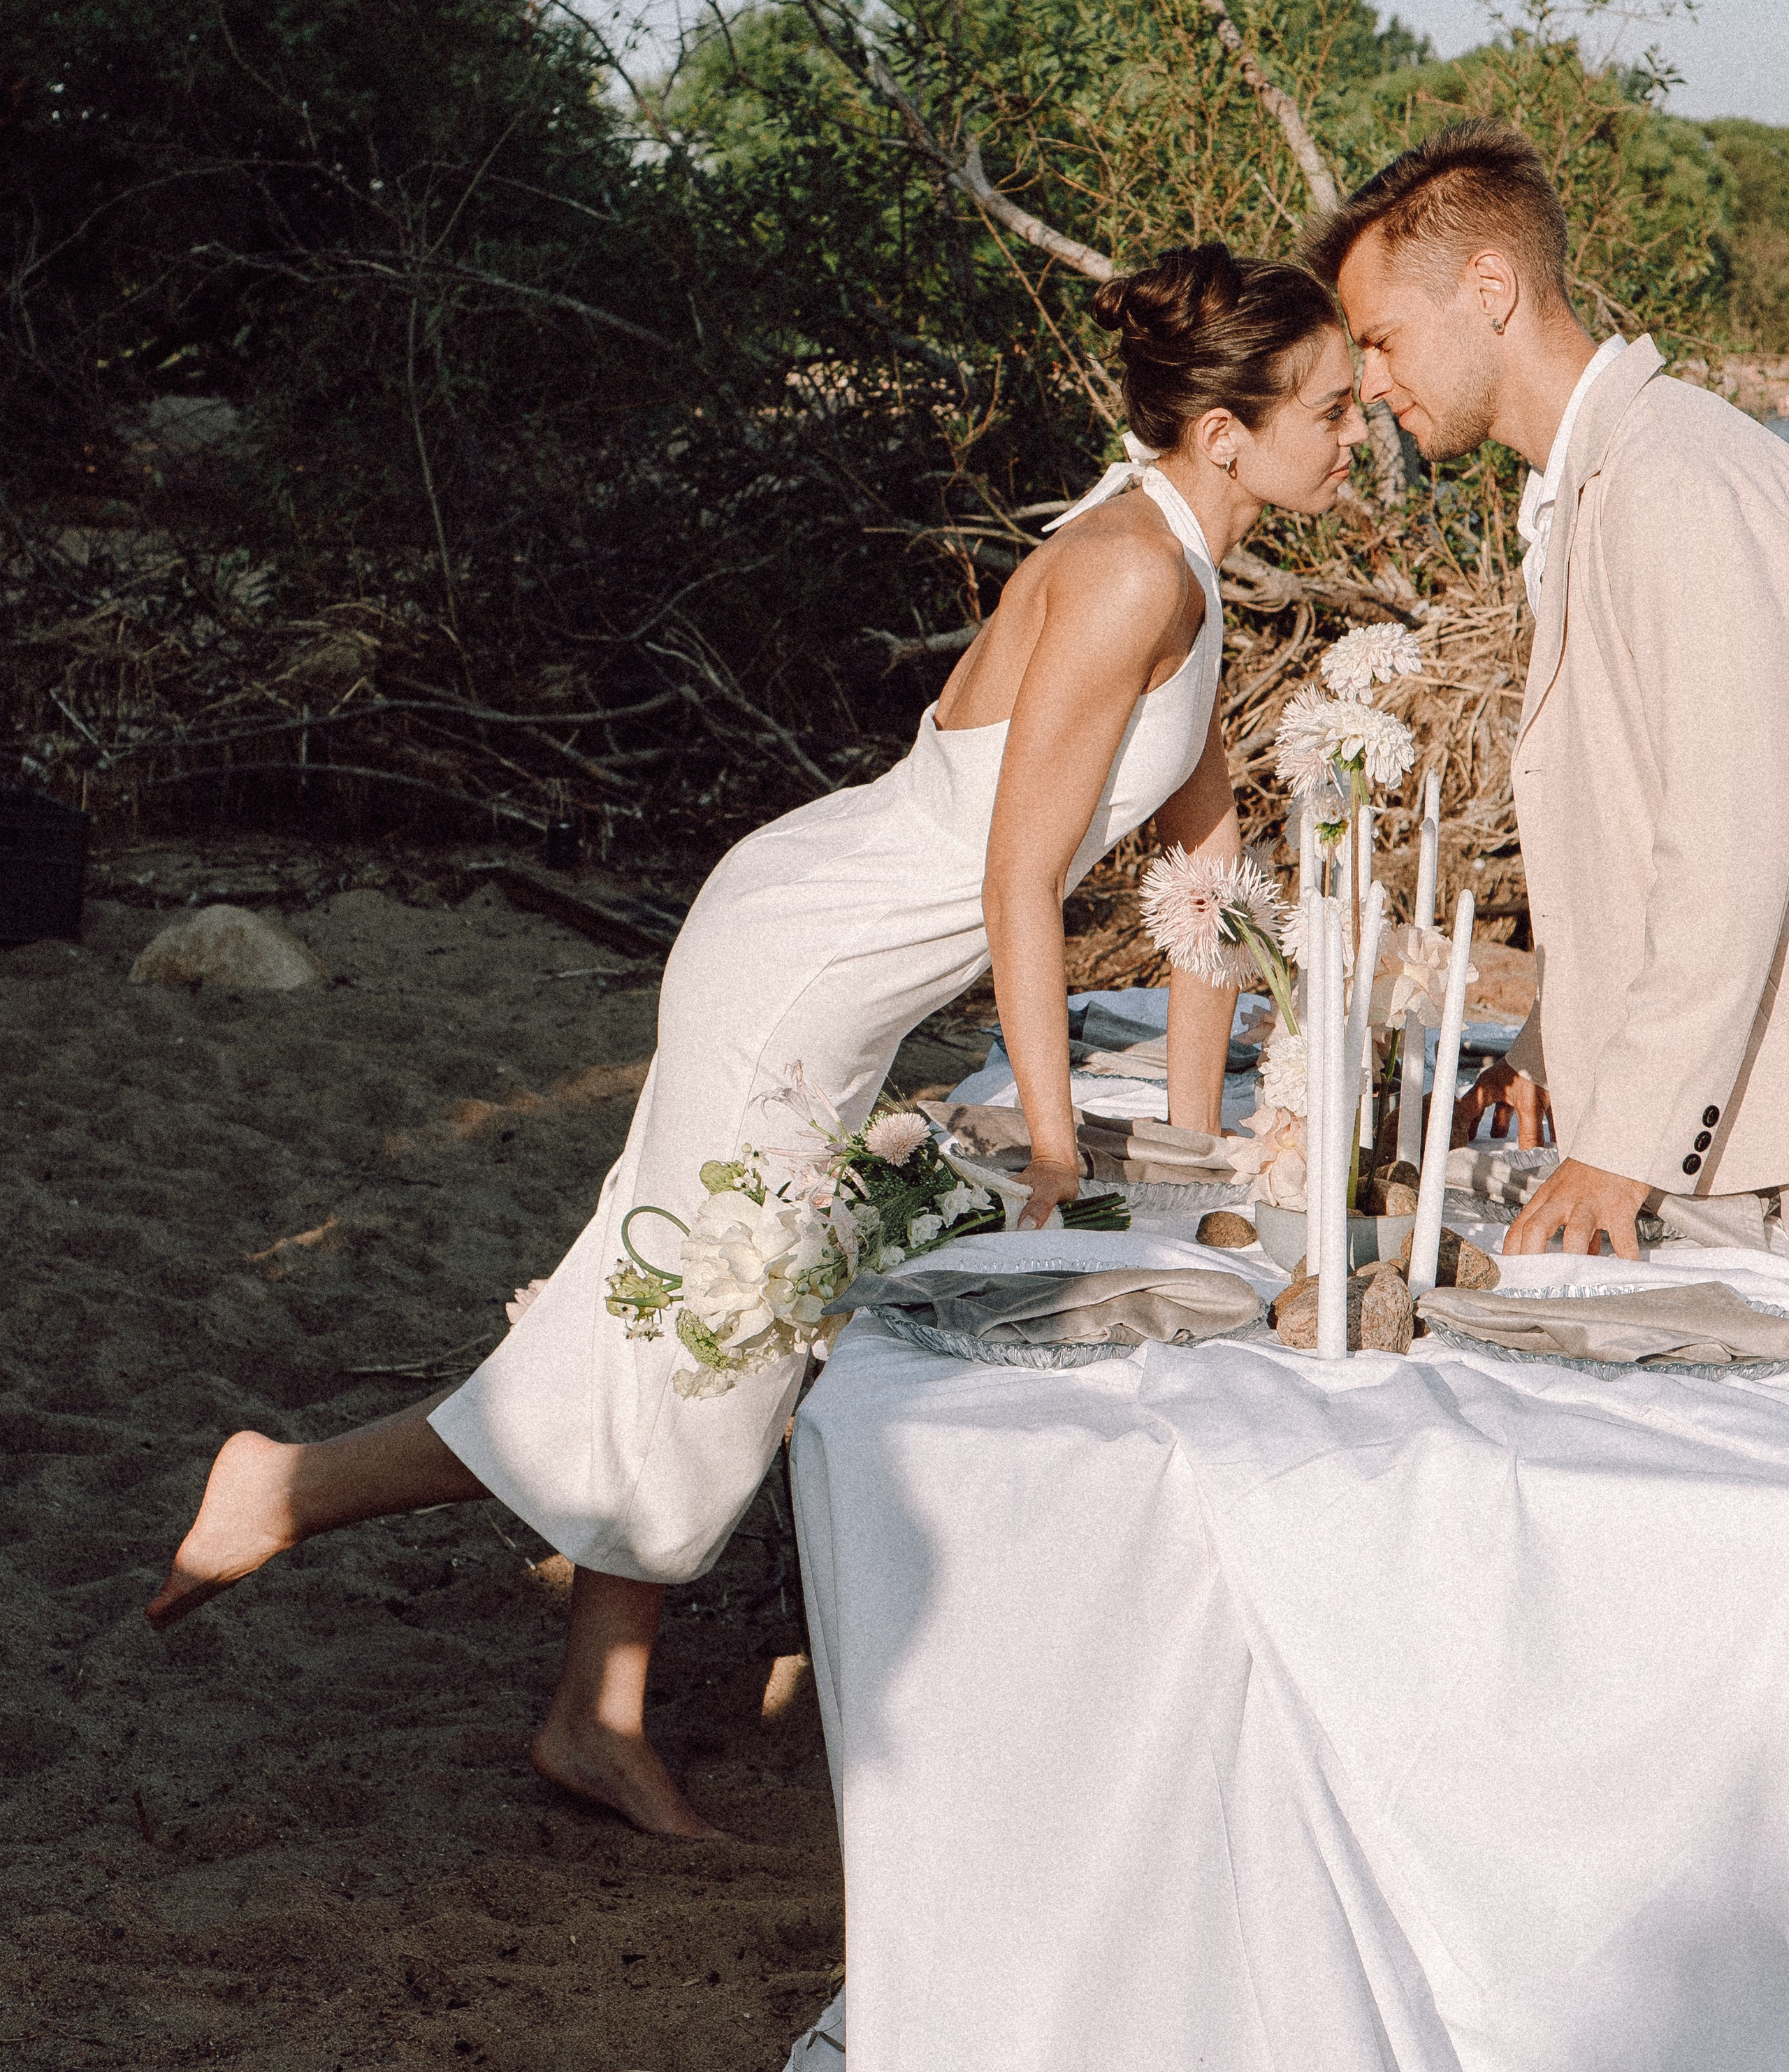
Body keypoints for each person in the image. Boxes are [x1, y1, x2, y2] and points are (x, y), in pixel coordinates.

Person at [147, 241, 1365, 1834]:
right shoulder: (1131, 569)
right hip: (798, 963)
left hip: (841, 971)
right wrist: (1055, 1136)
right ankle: (290, 1487)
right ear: (1225, 430)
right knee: (712, 1332)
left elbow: (1201, 868)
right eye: (1334, 409)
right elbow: (1018, 873)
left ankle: (594, 1709)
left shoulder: (1193, 575)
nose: (1360, 434)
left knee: (680, 1320)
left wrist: (1209, 1129)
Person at [1308, 117, 1789, 1261]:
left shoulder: (1679, 478)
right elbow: (1632, 809)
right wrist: (1553, 1039)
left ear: (1488, 286)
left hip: (1756, 1162)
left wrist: (1619, 1141)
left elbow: (1732, 842)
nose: (1370, 386)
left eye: (1381, 340)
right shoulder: (1590, 481)